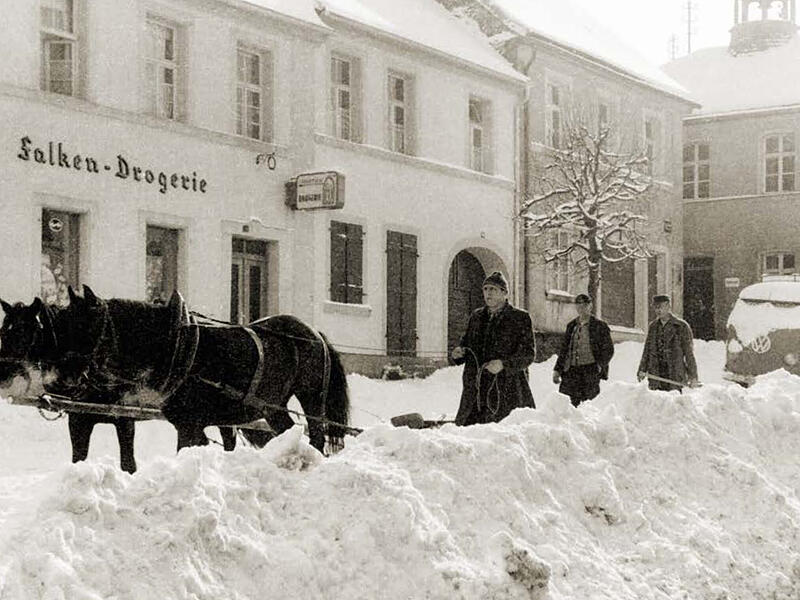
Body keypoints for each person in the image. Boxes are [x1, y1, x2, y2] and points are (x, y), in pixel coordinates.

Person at [452, 271, 536, 425]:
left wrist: (503, 364)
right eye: (485, 289)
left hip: (507, 390)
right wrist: (460, 353)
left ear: (505, 293)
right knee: (470, 434)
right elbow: (466, 344)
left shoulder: (520, 318)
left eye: (493, 289)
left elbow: (528, 354)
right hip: (476, 391)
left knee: (502, 436)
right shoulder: (476, 317)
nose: (488, 293)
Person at [552, 294, 614, 407]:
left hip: (589, 371)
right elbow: (564, 350)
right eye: (579, 306)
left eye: (585, 305)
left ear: (590, 306)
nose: (581, 309)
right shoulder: (571, 326)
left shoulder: (599, 326)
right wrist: (557, 370)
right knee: (567, 404)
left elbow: (608, 349)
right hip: (571, 372)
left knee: (589, 405)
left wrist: (600, 365)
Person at [637, 294, 699, 391]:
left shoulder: (681, 326)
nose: (658, 310)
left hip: (674, 373)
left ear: (668, 306)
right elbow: (647, 350)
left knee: (673, 403)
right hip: (656, 374)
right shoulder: (653, 327)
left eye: (660, 307)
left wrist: (693, 376)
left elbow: (689, 353)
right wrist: (642, 369)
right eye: (656, 307)